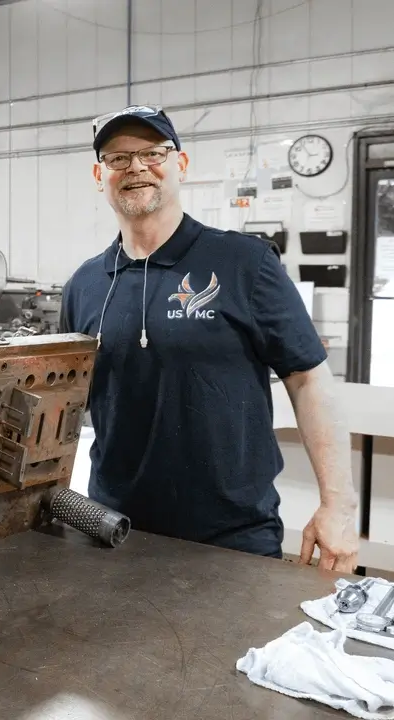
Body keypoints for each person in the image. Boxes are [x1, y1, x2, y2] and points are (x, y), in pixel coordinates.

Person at [59, 105, 359, 571]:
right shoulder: (84, 284)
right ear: (101, 175)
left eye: (152, 153)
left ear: (180, 164)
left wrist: (338, 506)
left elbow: (310, 382)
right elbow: (65, 403)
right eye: (118, 158)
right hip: (112, 531)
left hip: (231, 538)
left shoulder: (246, 263)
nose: (136, 167)